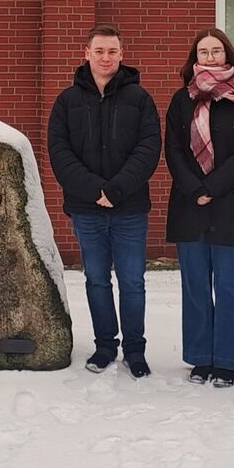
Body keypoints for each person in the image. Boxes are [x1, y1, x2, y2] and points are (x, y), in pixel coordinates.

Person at [48, 24, 161, 378]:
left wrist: (116, 190)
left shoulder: (139, 99)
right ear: (86, 53)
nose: (106, 57)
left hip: (129, 208)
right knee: (96, 279)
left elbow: (148, 149)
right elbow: (59, 152)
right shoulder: (67, 101)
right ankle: (105, 346)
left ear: (122, 54)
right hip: (86, 209)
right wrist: (95, 189)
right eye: (99, 51)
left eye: (112, 51)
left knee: (132, 281)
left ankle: (135, 350)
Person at [165, 27, 234, 388]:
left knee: (228, 285)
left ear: (228, 56)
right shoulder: (182, 100)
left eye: (216, 51)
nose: (210, 57)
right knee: (194, 284)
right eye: (203, 52)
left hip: (229, 203)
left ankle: (227, 360)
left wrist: (213, 187)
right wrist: (195, 189)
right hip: (190, 204)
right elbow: (174, 149)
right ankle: (200, 357)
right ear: (195, 58)